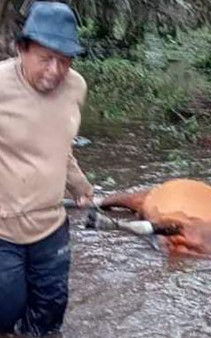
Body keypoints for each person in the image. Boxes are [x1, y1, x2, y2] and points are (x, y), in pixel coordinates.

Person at [0, 2, 93, 336]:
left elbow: (60, 146)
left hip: (51, 228)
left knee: (49, 317)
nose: (55, 71)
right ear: (21, 49)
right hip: (3, 232)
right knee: (5, 313)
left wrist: (79, 186)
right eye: (45, 58)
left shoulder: (76, 88)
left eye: (64, 60)